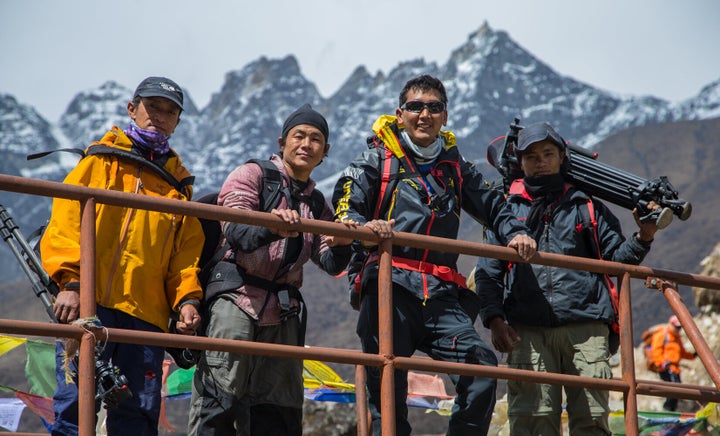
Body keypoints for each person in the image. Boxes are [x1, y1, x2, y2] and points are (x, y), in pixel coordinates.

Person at [332, 74, 537, 435]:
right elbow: (346, 206)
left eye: (434, 107)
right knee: (387, 394)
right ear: (400, 114)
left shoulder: (455, 167)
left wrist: (517, 231)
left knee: (482, 368)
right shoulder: (376, 161)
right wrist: (364, 228)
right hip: (388, 287)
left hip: (441, 294)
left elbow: (494, 205)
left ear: (445, 116)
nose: (424, 115)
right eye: (415, 107)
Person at [471, 121, 661, 435]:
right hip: (527, 332)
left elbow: (615, 260)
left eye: (548, 153)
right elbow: (488, 271)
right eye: (532, 156)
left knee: (591, 420)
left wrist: (644, 235)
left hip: (586, 329)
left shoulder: (587, 207)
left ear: (562, 157)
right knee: (532, 422)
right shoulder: (506, 212)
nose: (541, 161)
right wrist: (494, 319)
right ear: (521, 163)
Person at [40, 76, 203, 435]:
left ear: (178, 121)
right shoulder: (98, 161)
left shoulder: (178, 186)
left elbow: (184, 256)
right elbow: (65, 223)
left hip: (147, 317)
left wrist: (187, 300)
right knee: (74, 407)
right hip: (88, 304)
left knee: (139, 415)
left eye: (170, 112)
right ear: (132, 109)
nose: (159, 116)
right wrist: (70, 282)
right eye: (152, 107)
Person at [187, 104, 354, 436]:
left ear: (326, 151)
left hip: (283, 309)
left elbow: (330, 261)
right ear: (282, 142)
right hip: (236, 297)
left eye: (316, 139)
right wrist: (273, 228)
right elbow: (235, 230)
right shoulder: (251, 175)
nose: (307, 144)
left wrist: (342, 243)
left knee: (279, 407)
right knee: (220, 396)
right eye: (299, 136)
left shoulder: (317, 203)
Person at [650, 315, 697, 411]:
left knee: (676, 390)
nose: (678, 329)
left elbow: (682, 353)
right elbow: (656, 351)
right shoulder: (662, 335)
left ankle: (671, 410)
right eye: (677, 327)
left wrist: (693, 356)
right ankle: (667, 409)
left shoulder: (677, 338)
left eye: (679, 327)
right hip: (666, 368)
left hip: (674, 368)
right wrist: (662, 363)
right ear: (670, 324)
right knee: (673, 389)